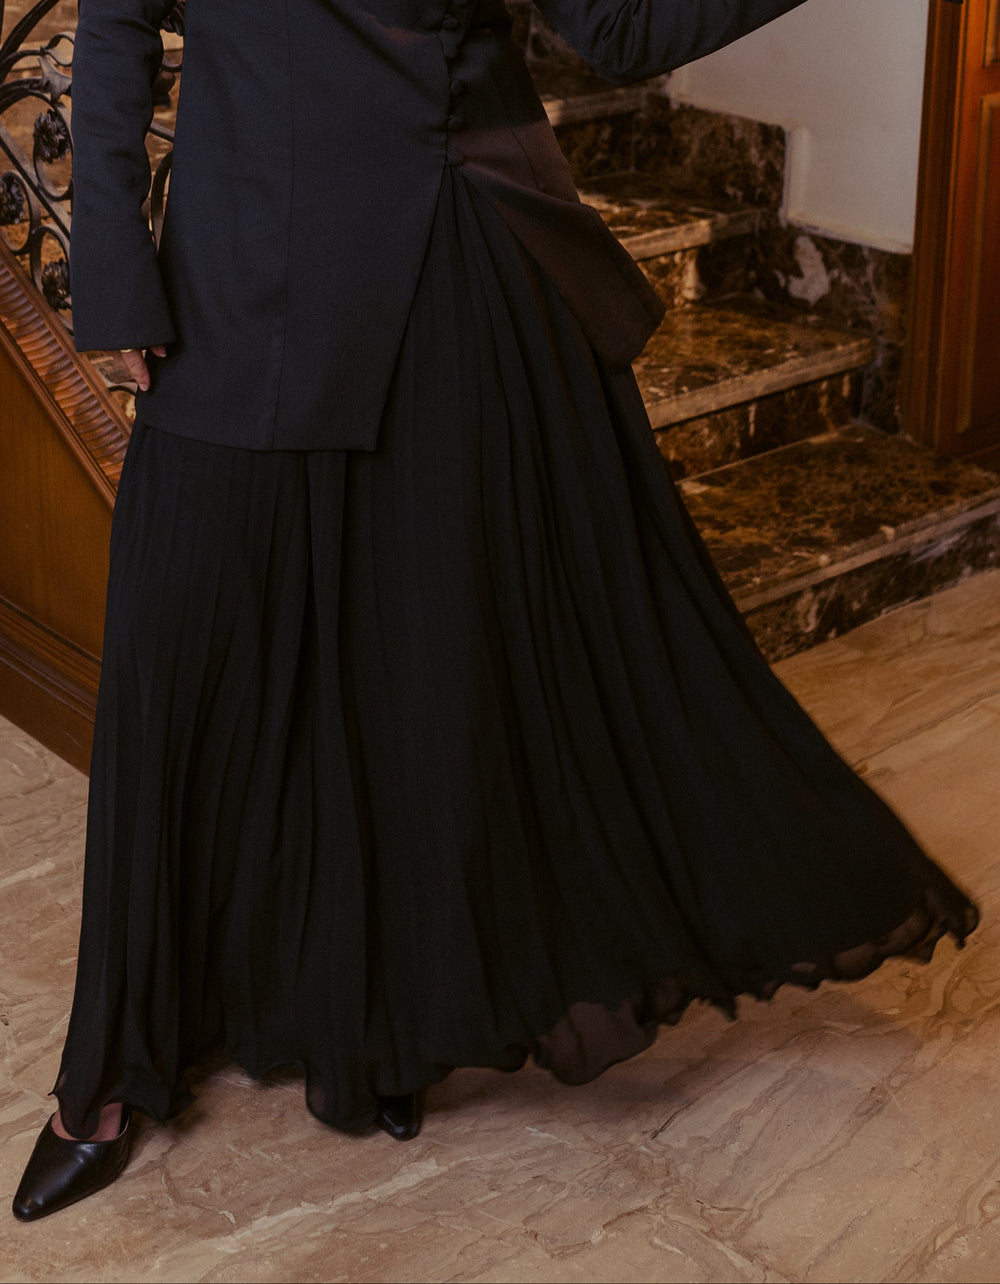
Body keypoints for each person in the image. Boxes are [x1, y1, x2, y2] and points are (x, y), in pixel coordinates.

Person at [12, 0, 977, 1223]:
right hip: (234, 272)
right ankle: (105, 1078)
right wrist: (113, 273)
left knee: (421, 665)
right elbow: (114, 22)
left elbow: (618, 30)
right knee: (176, 665)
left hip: (439, 275)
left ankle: (391, 1021)